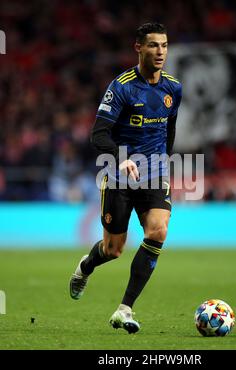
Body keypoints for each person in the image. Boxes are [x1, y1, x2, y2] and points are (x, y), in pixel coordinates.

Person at [69, 22, 182, 334]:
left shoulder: (173, 88)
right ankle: (85, 267)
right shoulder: (121, 87)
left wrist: (164, 163)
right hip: (119, 174)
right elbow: (98, 135)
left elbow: (168, 130)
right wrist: (122, 158)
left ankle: (124, 309)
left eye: (164, 45)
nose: (160, 52)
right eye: (153, 45)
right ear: (139, 48)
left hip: (155, 173)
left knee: (158, 231)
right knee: (113, 249)